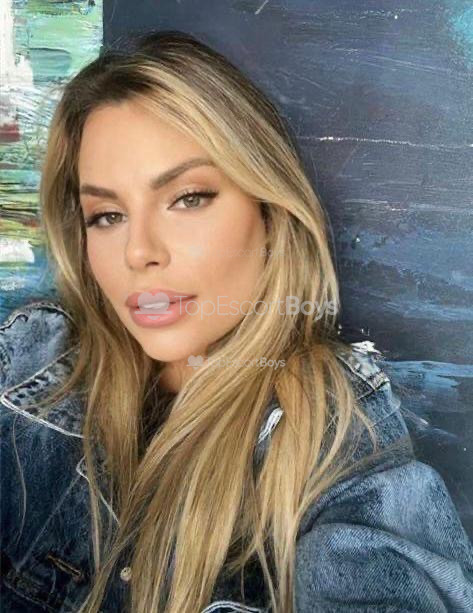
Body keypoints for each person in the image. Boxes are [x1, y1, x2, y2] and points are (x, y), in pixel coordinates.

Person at [1, 30, 472, 613]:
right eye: (107, 215)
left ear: (269, 212)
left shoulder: (336, 442)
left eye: (188, 198)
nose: (138, 252)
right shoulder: (30, 366)